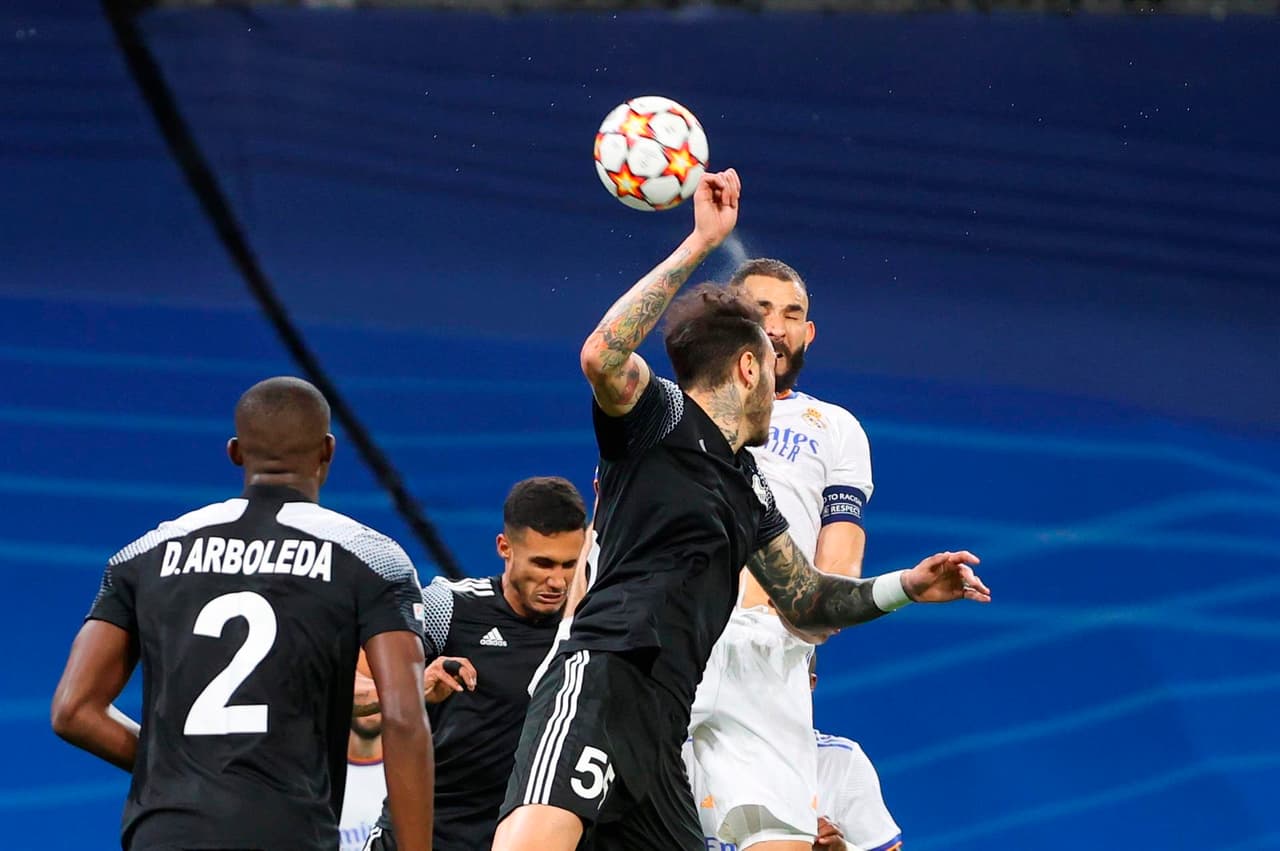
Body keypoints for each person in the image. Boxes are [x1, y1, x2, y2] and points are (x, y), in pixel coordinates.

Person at [491, 169, 990, 851]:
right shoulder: (660, 416)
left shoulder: (748, 488)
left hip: (666, 716)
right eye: (766, 348)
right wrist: (700, 242)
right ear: (749, 369)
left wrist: (908, 585)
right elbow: (604, 354)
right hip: (605, 673)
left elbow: (809, 599)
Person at [50, 376, 434, 851]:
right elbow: (402, 717)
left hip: (164, 833)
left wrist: (179, 769)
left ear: (235, 452)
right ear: (328, 451)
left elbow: (73, 711)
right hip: (286, 830)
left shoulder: (143, 554)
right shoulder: (371, 559)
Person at [686, 257, 882, 851]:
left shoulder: (836, 427)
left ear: (808, 333)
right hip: (675, 633)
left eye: (792, 314)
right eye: (761, 310)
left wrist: (821, 610)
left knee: (772, 835)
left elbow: (841, 550)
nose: (777, 325)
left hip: (770, 654)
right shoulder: (675, 410)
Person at [362, 476, 588, 851]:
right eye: (543, 563)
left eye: (569, 565)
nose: (557, 581)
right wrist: (411, 688)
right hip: (424, 837)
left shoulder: (591, 625)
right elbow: (348, 685)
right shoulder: (446, 609)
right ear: (504, 547)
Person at [341, 673, 388, 851]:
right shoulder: (317, 772)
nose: (371, 697)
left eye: (379, 689)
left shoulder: (413, 776)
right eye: (364, 691)